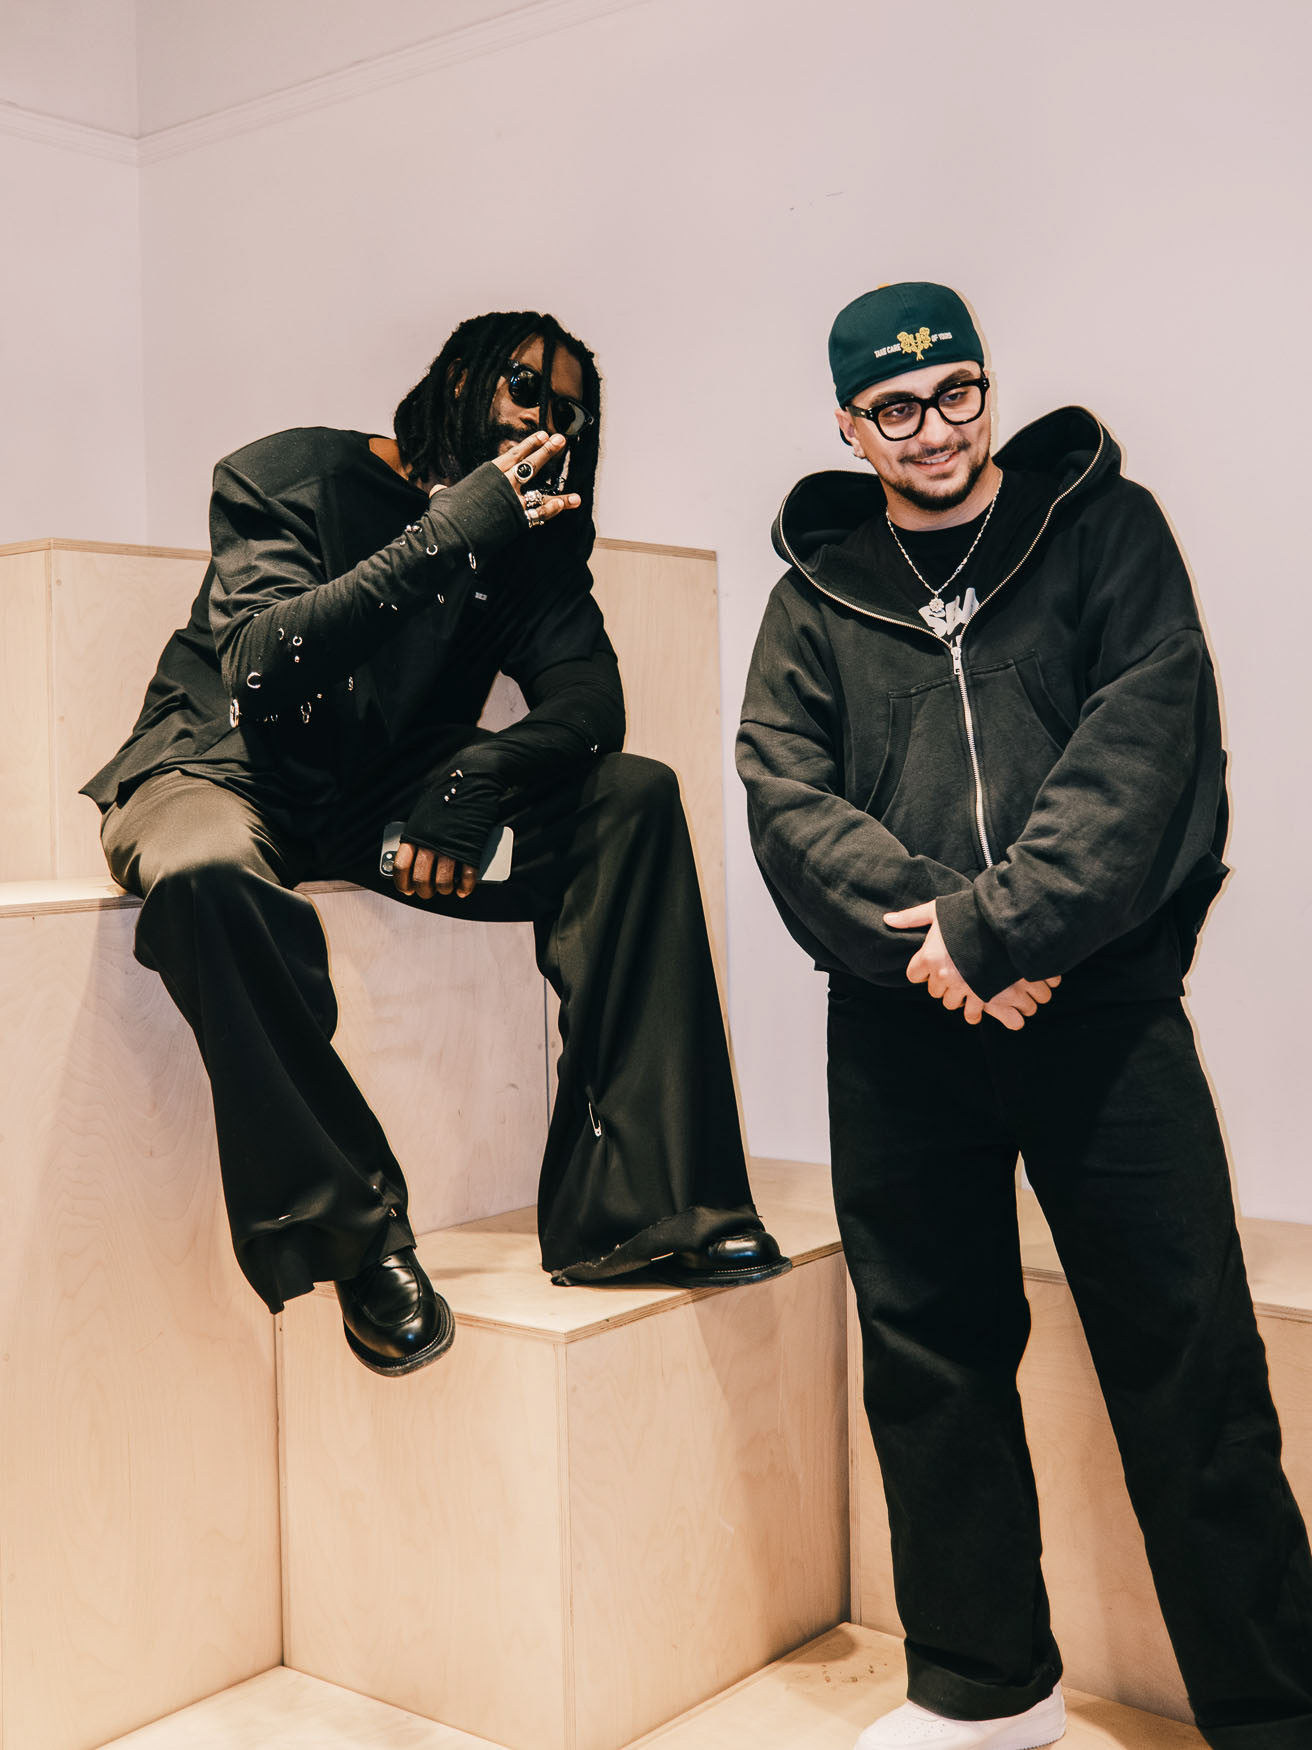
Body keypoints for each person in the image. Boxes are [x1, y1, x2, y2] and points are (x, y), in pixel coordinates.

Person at [736, 282, 1312, 1749]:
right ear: (849, 425)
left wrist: (1005, 929)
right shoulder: (816, 595)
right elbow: (785, 798)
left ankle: (1274, 1710)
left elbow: (1147, 747)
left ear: (988, 386)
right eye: (895, 408)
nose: (933, 430)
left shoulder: (1105, 530)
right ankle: (984, 1692)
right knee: (929, 1353)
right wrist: (955, 937)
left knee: (1190, 1358)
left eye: (956, 393)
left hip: (1102, 1009)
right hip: (900, 1023)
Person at [85, 308, 787, 1379]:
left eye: (566, 413)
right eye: (523, 387)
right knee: (205, 877)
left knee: (633, 798)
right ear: (459, 377)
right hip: (220, 767)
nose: (542, 421)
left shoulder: (528, 540)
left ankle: (648, 1206)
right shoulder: (289, 473)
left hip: (378, 795)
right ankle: (354, 1239)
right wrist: (453, 528)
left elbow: (591, 701)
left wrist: (477, 778)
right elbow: (263, 667)